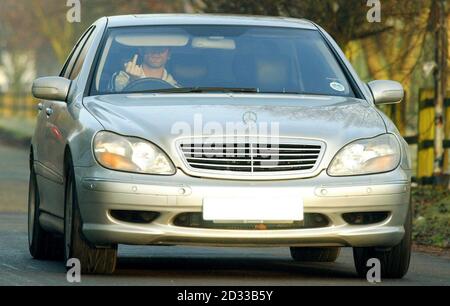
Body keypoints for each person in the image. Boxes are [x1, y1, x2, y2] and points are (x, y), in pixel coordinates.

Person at [114, 46, 179, 91]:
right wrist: (133, 81)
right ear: (141, 50)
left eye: (162, 48)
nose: (156, 52)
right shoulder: (121, 77)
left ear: (169, 54)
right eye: (152, 47)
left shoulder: (176, 88)